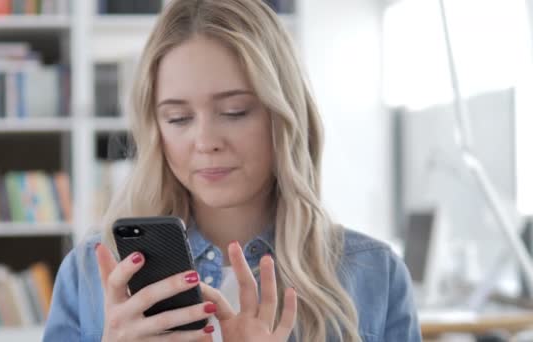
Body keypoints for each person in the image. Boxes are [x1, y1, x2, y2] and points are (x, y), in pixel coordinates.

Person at [43, 0, 422, 341]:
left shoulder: (374, 276)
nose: (205, 141)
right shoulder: (89, 276)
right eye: (178, 118)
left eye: (234, 112)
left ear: (284, 115)